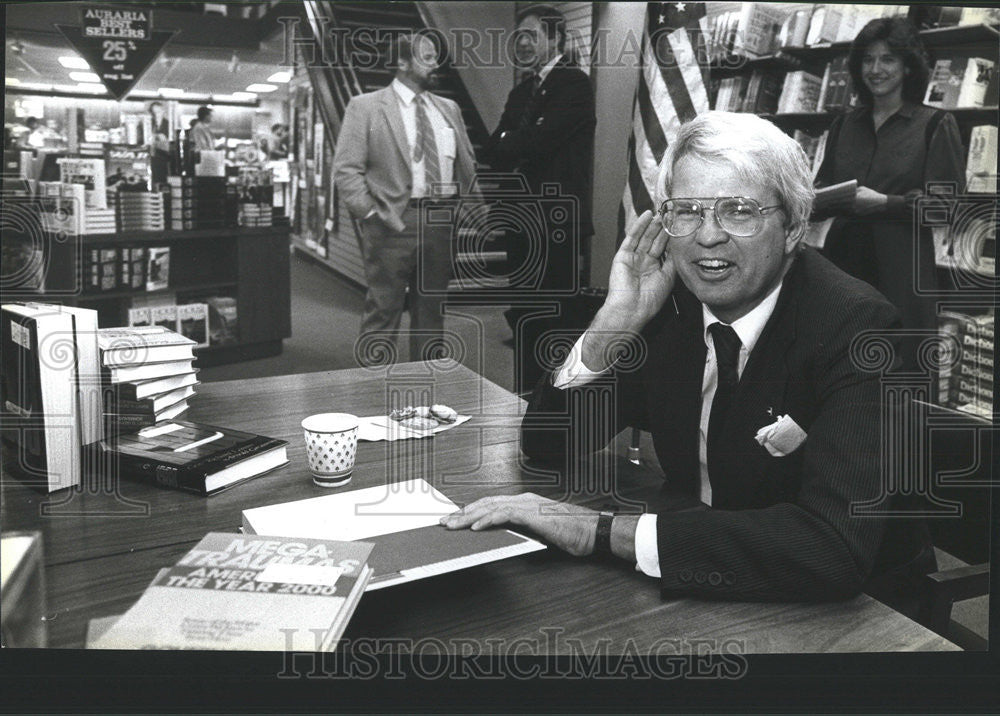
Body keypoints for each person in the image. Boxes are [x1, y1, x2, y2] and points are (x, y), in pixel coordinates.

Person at [443, 112, 934, 607]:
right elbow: (549, 443)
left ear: (792, 228)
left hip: (860, 612)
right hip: (697, 576)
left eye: (738, 210)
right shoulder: (670, 306)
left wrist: (603, 531)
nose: (707, 236)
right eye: (688, 211)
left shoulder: (860, 329)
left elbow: (830, 549)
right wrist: (615, 323)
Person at [815, 17, 965, 344]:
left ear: (908, 66)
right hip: (841, 266)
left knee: (898, 373)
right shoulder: (844, 125)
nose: (876, 69)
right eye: (867, 59)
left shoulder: (935, 123)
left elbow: (946, 208)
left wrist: (885, 203)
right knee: (836, 364)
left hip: (901, 272)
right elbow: (820, 188)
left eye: (888, 58)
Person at [333, 32, 479, 364]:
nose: (436, 63)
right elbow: (346, 169)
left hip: (440, 221)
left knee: (431, 315)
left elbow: (466, 161)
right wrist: (370, 214)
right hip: (391, 222)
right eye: (427, 57)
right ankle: (372, 390)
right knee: (383, 312)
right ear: (402, 63)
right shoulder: (366, 107)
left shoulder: (449, 109)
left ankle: (424, 400)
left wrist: (466, 207)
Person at [485, 4, 596, 392]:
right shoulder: (520, 93)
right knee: (524, 318)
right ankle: (524, 401)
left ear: (555, 37)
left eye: (531, 35)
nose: (524, 43)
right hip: (521, 226)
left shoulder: (575, 85)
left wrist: (514, 141)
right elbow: (493, 148)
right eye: (519, 37)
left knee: (555, 321)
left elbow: (537, 143)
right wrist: (516, 142)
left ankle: (555, 405)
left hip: (557, 227)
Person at [148, 101, 170, 186]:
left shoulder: (168, 124)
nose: (156, 115)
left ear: (163, 111)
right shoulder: (149, 124)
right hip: (151, 157)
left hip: (164, 158)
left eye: (158, 112)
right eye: (154, 113)